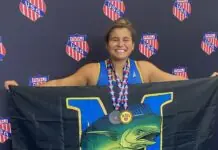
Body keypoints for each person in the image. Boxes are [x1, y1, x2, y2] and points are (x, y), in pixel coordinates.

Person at [4, 18, 218, 90]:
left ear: (133, 46)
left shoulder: (145, 69)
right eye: (115, 39)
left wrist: (208, 82)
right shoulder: (92, 70)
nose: (120, 44)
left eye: (126, 40)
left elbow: (179, 82)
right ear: (107, 45)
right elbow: (60, 85)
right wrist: (22, 89)